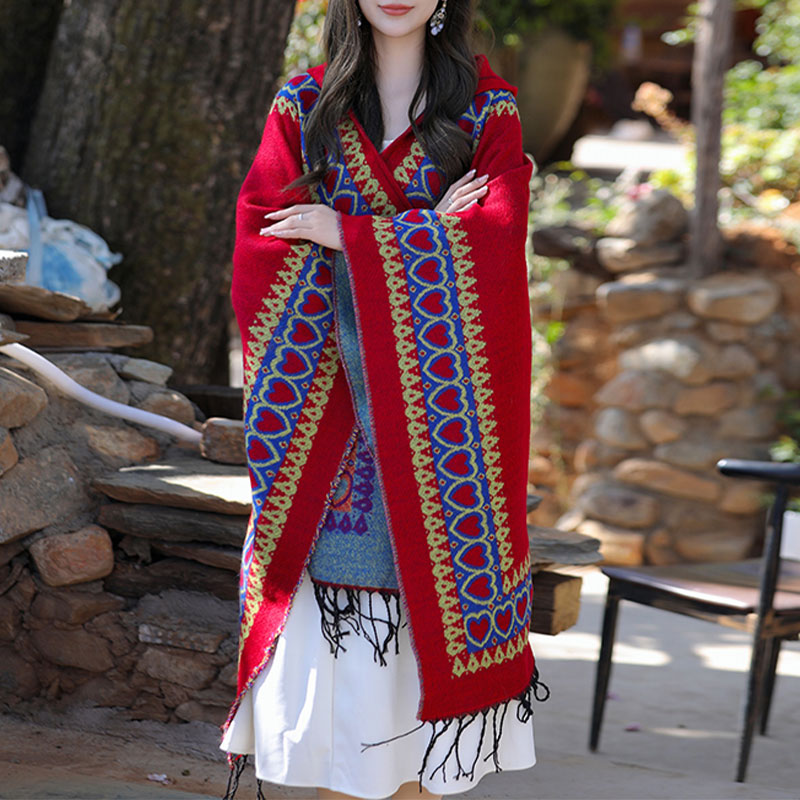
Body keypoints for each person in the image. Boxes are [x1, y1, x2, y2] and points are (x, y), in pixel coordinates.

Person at [220, 2, 547, 798]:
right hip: (329, 455)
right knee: (340, 732)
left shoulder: (486, 112)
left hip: (448, 457)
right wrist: (426, 232)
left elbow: (497, 248)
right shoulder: (303, 107)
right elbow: (264, 251)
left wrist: (353, 236)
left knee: (422, 753)